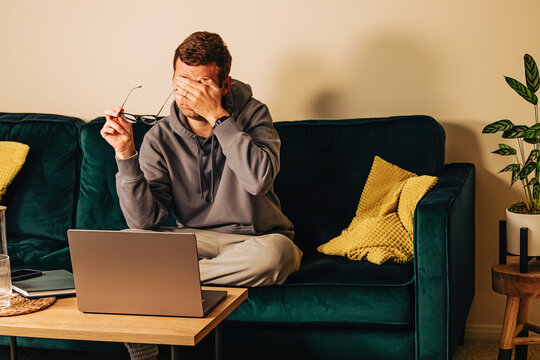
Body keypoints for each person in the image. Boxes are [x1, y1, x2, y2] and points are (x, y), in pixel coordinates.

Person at [100, 31, 302, 360]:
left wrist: (219, 118)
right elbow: (144, 221)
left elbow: (258, 180)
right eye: (182, 83)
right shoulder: (161, 136)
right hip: (193, 241)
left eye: (203, 84)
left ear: (224, 85)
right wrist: (125, 154)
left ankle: (160, 285)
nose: (189, 94)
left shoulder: (254, 116)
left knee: (280, 255)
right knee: (126, 243)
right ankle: (155, 323)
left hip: (255, 241)